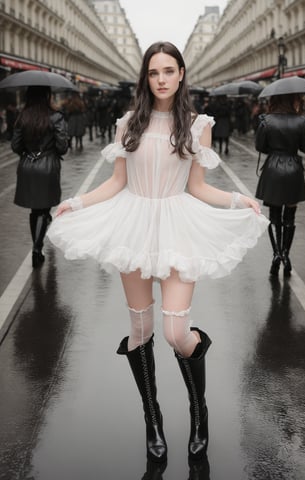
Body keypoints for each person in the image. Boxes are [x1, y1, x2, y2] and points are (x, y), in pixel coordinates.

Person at [47, 41, 268, 462]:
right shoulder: (128, 122)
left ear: (181, 74)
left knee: (174, 333)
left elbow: (198, 186)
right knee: (141, 331)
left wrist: (240, 200)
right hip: (134, 226)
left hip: (178, 225)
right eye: (154, 72)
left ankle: (198, 411)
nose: (162, 79)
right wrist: (76, 202)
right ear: (145, 78)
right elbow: (115, 182)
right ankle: (153, 419)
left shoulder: (198, 124)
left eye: (169, 71)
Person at [255, 93, 305, 276]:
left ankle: (276, 254)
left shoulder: (266, 120)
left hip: (273, 169)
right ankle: (286, 255)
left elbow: (260, 146)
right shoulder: (302, 121)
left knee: (274, 215)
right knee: (290, 216)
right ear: (292, 100)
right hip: (293, 170)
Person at [11, 85, 68, 268]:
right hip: (48, 166)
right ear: (46, 96)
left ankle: (36, 246)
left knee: (35, 210)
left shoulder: (23, 117)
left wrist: (28, 153)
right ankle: (37, 248)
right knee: (44, 209)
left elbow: (15, 146)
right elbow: (62, 147)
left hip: (28, 166)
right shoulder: (56, 117)